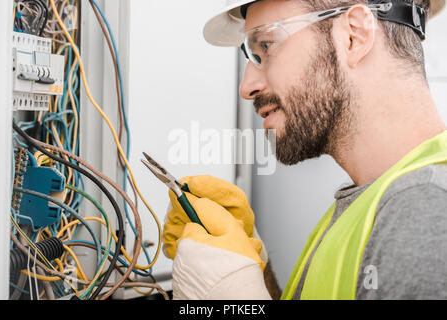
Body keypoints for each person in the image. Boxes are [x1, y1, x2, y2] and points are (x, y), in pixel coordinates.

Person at [163, 0, 447, 300]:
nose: (247, 86)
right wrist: (251, 268)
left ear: (354, 36)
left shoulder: (425, 208)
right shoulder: (372, 199)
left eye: (267, 46)